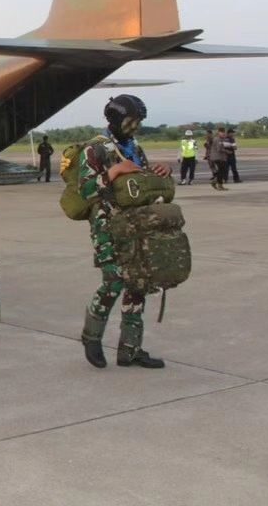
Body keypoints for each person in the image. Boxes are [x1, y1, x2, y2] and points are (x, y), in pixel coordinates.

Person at [79, 95, 169, 370]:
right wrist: (115, 170)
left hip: (136, 224)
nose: (135, 127)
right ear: (116, 119)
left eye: (138, 122)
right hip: (108, 225)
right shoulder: (95, 149)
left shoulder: (134, 147)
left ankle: (130, 350)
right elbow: (86, 190)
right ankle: (91, 337)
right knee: (114, 280)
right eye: (131, 121)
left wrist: (157, 172)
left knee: (138, 283)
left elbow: (139, 183)